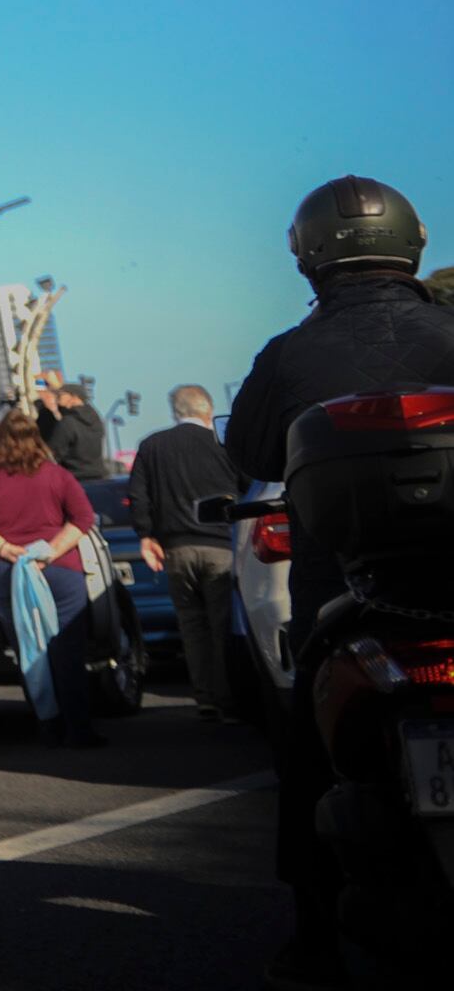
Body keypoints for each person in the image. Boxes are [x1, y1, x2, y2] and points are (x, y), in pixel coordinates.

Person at [225, 175, 454, 990]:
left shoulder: (288, 353)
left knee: (310, 750)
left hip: (350, 588)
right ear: (412, 242)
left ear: (309, 256)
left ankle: (314, 939)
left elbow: (249, 457)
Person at [0, 408, 105, 747]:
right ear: (36, 438)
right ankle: (78, 729)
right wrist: (49, 551)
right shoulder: (57, 475)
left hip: (8, 573)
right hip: (60, 570)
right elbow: (83, 518)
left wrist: (8, 549)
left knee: (29, 648)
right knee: (67, 649)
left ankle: (47, 725)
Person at [125, 383, 244, 719]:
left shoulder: (152, 446)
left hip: (176, 548)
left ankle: (205, 697)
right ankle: (229, 699)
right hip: (221, 546)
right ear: (207, 410)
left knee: (191, 626)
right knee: (223, 626)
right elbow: (246, 487)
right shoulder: (223, 445)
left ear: (176, 411)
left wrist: (146, 535)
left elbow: (138, 495)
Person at [36, 374, 114, 479]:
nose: (57, 398)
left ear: (74, 397)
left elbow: (52, 453)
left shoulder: (68, 423)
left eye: (61, 395)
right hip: (99, 475)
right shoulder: (95, 419)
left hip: (75, 478)